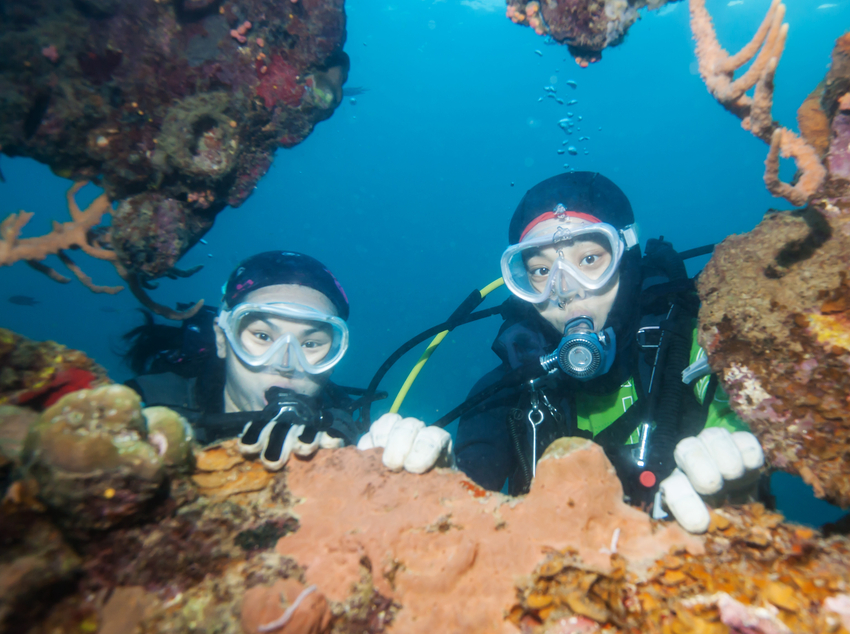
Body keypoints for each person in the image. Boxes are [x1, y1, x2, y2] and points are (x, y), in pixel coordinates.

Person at [453, 172, 767, 533]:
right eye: (541, 270)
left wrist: (737, 487)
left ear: (626, 259)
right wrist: (439, 489)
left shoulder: (698, 349)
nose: (566, 290)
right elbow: (465, 500)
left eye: (589, 259)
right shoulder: (506, 390)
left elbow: (739, 430)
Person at [124, 250, 448, 472]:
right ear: (223, 338)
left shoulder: (352, 444)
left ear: (333, 358)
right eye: (263, 337)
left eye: (310, 344)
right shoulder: (143, 408)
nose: (285, 363)